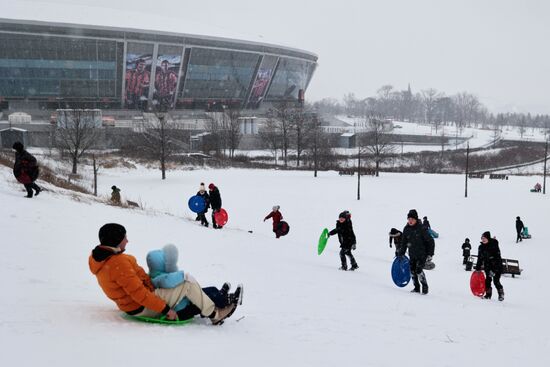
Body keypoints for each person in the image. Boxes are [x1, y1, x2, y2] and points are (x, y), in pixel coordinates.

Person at [89, 223, 237, 325]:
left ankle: (217, 300)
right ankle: (216, 315)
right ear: (115, 241)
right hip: (141, 306)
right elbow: (139, 294)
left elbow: (139, 281)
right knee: (187, 283)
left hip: (135, 303)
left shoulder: (103, 258)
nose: (127, 241)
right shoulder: (117, 263)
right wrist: (166, 309)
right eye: (124, 238)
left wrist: (158, 281)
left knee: (179, 285)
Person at [146, 244, 243, 321]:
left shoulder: (156, 275)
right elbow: (168, 281)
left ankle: (220, 294)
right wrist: (182, 275)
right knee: (206, 296)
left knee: (209, 290)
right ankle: (225, 301)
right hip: (182, 308)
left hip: (184, 299)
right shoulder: (158, 278)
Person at [397, 209, 434, 294]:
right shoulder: (406, 229)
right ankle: (416, 288)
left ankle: (425, 287)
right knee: (412, 270)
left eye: (412, 219)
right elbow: (404, 243)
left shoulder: (421, 229)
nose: (410, 221)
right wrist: (401, 253)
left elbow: (431, 241)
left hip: (422, 254)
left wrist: (430, 254)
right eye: (409, 219)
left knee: (418, 270)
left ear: (416, 219)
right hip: (412, 254)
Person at [475, 231, 505, 301]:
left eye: (484, 238)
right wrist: (477, 268)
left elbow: (498, 258)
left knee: (496, 281)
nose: (483, 239)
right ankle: (488, 295)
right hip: (488, 266)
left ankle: (501, 294)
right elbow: (479, 258)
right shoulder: (481, 247)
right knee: (487, 281)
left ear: (488, 238)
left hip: (496, 266)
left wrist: (494, 270)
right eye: (482, 238)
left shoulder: (493, 245)